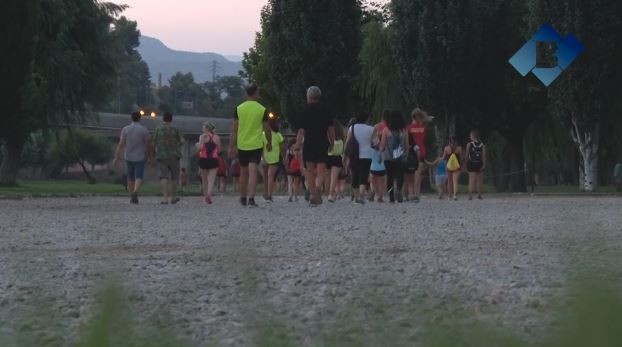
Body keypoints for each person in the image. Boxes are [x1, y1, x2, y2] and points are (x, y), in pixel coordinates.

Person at [229, 85, 272, 207]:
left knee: (243, 172)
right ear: (255, 93)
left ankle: (242, 198)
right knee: (253, 171)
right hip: (256, 144)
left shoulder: (239, 108)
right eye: (259, 92)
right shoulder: (262, 109)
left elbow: (234, 129)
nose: (259, 94)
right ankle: (251, 199)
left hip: (242, 144)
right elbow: (267, 128)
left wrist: (231, 145)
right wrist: (268, 142)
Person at [295, 86, 335, 206]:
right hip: (322, 142)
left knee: (309, 171)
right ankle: (318, 187)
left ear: (309, 96)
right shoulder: (326, 110)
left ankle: (313, 194)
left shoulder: (304, 111)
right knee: (321, 169)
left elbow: (301, 131)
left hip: (309, 143)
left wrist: (297, 145)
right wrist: (332, 142)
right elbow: (331, 129)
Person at [114, 111, 151, 204]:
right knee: (139, 176)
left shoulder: (125, 129)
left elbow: (121, 144)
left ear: (131, 118)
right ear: (140, 118)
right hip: (140, 156)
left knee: (130, 177)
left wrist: (117, 157)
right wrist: (148, 155)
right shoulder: (144, 130)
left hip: (128, 156)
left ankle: (131, 196)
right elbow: (147, 144)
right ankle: (135, 192)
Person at [153, 112, 183, 204]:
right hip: (174, 156)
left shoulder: (158, 129)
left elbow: (154, 142)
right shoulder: (175, 129)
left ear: (163, 119)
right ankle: (173, 198)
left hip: (161, 156)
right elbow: (182, 141)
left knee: (163, 177)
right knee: (174, 178)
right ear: (171, 119)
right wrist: (176, 146)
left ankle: (165, 199)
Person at [380, 110, 409, 203]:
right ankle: (399, 190)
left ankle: (391, 196)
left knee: (390, 177)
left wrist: (381, 153)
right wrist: (405, 155)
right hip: (401, 157)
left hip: (388, 157)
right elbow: (407, 145)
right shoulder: (404, 130)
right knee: (400, 175)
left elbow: (383, 145)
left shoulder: (386, 130)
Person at [345, 111, 374, 204]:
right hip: (367, 155)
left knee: (355, 175)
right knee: (364, 175)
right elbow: (375, 141)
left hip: (354, 155)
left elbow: (347, 142)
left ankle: (357, 197)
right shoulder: (371, 129)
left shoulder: (352, 128)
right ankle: (361, 194)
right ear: (366, 119)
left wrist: (345, 154)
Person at [408, 108, 433, 202]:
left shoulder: (409, 127)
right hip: (421, 150)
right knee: (418, 174)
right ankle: (416, 193)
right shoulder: (422, 128)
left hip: (411, 152)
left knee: (410, 174)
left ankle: (410, 194)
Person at [197, 122, 221, 204]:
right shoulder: (217, 137)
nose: (202, 129)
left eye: (203, 127)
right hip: (213, 159)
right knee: (211, 179)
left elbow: (200, 148)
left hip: (203, 159)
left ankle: (205, 196)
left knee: (204, 180)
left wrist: (197, 145)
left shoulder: (202, 137)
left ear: (207, 129)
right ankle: (209, 195)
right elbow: (219, 150)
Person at [263, 119, 285, 202]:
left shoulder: (263, 134)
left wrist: (262, 158)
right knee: (270, 176)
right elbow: (282, 148)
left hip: (268, 158)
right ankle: (268, 194)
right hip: (273, 158)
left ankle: (268, 194)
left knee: (268, 176)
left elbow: (261, 147)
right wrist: (284, 158)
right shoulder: (278, 135)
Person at [327, 120, 345, 202]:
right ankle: (331, 194)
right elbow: (343, 151)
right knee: (334, 178)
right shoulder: (342, 139)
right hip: (337, 158)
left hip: (328, 156)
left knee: (327, 177)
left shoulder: (328, 136)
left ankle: (328, 193)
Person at [466, 130, 487, 200]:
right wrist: (483, 165)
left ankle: (470, 195)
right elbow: (483, 156)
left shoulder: (469, 144)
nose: (470, 137)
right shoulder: (482, 145)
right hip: (479, 163)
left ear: (473, 136)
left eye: (470, 136)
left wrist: (466, 163)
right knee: (479, 180)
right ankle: (479, 195)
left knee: (471, 179)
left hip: (471, 163)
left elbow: (466, 155)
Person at [443, 135, 463, 200]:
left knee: (449, 181)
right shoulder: (459, 148)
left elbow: (444, 158)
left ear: (449, 141)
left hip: (449, 166)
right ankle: (455, 195)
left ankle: (449, 196)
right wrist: (461, 165)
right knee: (455, 181)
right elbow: (461, 158)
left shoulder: (446, 148)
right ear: (456, 141)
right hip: (457, 167)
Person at [370, 127, 387, 202]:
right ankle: (381, 196)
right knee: (382, 183)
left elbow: (372, 138)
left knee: (374, 183)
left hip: (373, 167)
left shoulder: (371, 147)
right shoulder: (383, 147)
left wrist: (374, 130)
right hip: (382, 167)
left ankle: (376, 194)